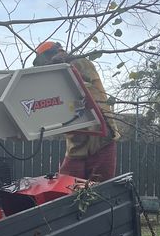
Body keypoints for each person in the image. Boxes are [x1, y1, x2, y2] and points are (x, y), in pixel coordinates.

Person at [32, 41, 119, 181]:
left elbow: (89, 91)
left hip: (102, 139)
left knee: (99, 191)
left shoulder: (80, 63)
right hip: (76, 145)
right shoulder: (55, 81)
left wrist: (63, 63)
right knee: (66, 188)